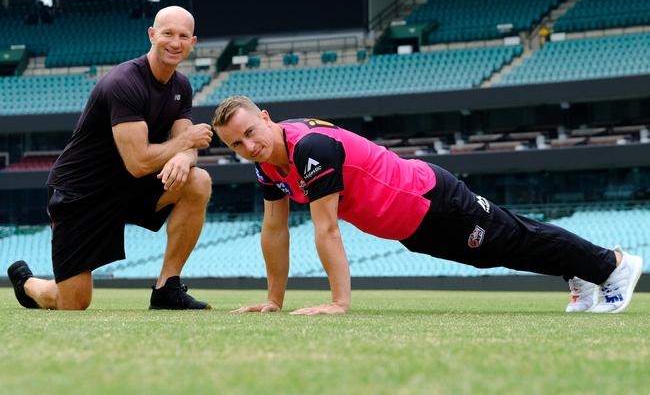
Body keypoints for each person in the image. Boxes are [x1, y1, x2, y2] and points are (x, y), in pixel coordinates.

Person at [212, 95, 644, 316]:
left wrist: (338, 304)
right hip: (410, 227)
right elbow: (274, 229)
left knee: (511, 239)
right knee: (498, 250)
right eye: (237, 144)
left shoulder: (311, 148)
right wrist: (274, 300)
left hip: (430, 199)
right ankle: (582, 272)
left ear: (266, 117)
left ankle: (611, 265)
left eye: (252, 131)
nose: (249, 145)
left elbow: (326, 229)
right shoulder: (268, 166)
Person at [7, 6, 213, 311]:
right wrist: (185, 144)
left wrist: (186, 155)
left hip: (130, 188)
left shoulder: (181, 86)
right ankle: (27, 283)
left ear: (193, 42)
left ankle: (167, 288)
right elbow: (140, 161)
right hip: (82, 192)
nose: (175, 42)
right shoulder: (124, 82)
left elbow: (188, 144)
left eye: (183, 36)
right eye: (168, 33)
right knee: (73, 303)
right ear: (152, 35)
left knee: (198, 180)